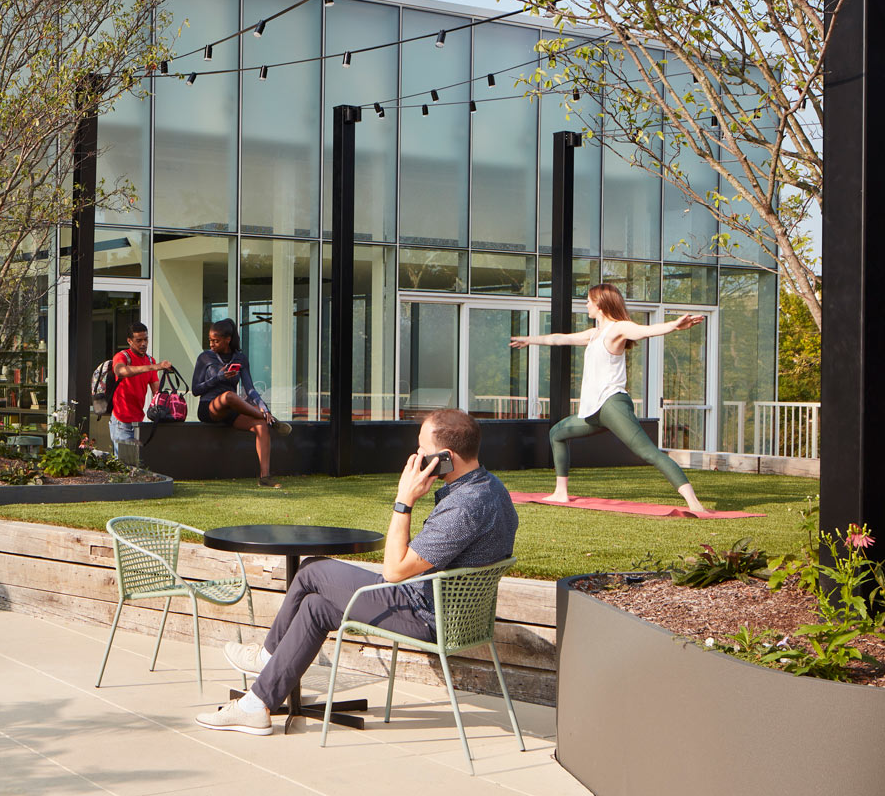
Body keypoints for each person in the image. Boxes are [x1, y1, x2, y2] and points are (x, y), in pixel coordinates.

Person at [197, 409, 518, 735]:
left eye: (422, 449)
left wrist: (403, 501)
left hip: (425, 613)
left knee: (312, 570)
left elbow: (394, 571)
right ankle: (257, 705)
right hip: (448, 610)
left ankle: (267, 657)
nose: (417, 455)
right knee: (315, 608)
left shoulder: (464, 506)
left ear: (444, 457)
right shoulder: (492, 489)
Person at [510, 283, 709, 513]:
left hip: (612, 405)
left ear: (600, 305)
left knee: (649, 453)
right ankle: (560, 492)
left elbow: (644, 331)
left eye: (588, 300)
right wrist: (530, 340)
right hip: (594, 411)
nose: (586, 304)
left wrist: (674, 326)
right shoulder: (595, 334)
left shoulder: (618, 329)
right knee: (557, 433)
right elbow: (559, 339)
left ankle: (694, 503)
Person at [191, 318, 290, 488]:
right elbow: (195, 390)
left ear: (228, 339)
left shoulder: (240, 358)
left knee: (260, 425)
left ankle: (265, 477)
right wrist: (218, 378)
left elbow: (250, 389)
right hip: (209, 407)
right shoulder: (205, 357)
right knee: (229, 395)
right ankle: (272, 420)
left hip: (231, 410)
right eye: (210, 340)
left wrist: (263, 406)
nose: (212, 344)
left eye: (216, 341)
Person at [109, 323, 170, 462]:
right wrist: (154, 367)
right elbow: (121, 371)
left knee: (135, 464)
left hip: (139, 421)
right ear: (129, 341)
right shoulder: (122, 357)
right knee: (125, 464)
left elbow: (156, 391)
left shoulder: (149, 360)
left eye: (146, 339)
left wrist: (168, 405)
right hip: (121, 421)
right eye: (139, 340)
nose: (143, 344)